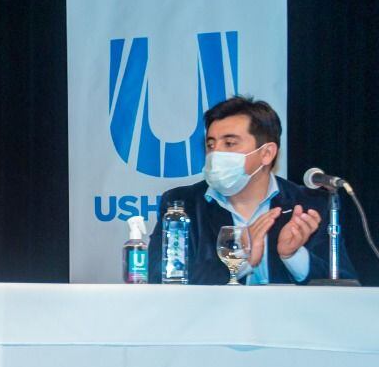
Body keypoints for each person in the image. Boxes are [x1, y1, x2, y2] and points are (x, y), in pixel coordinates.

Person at [147, 96, 355, 284]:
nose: (216, 154)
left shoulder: (309, 205)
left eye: (229, 143)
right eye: (211, 145)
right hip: (212, 324)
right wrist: (238, 259)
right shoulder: (182, 204)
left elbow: (345, 288)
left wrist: (293, 256)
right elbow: (159, 279)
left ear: (266, 154)